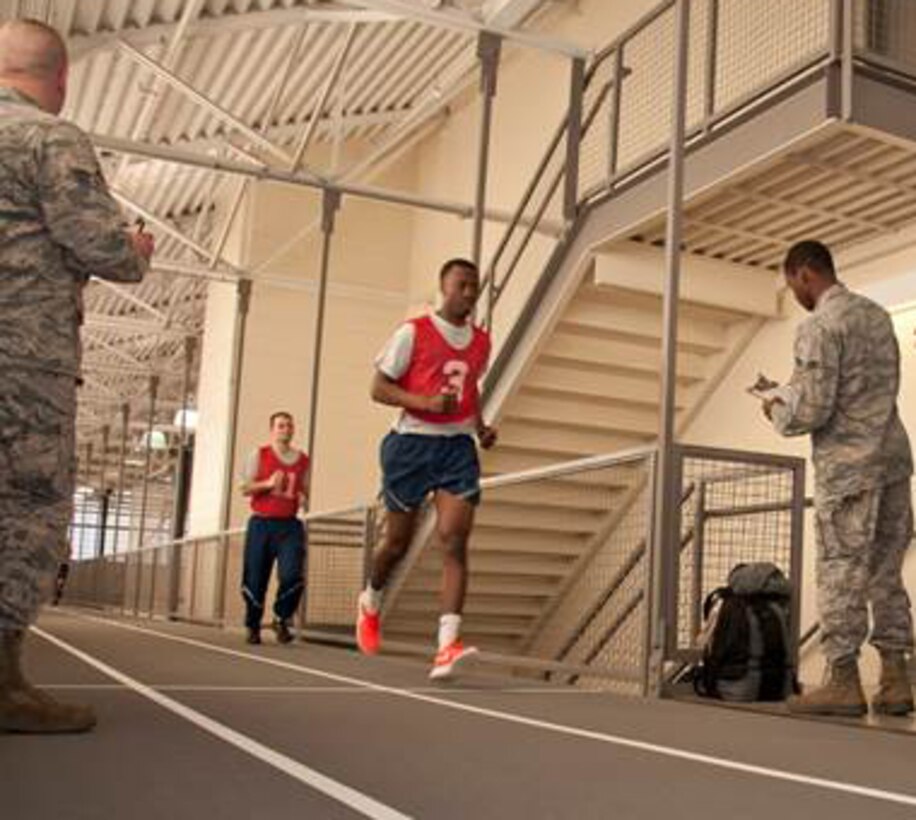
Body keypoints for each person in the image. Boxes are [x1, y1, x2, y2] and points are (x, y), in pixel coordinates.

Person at [0, 20, 154, 734]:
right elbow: (101, 247)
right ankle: (2, 682)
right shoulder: (49, 138)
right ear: (60, 78)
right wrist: (135, 247)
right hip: (22, 362)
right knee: (25, 509)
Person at [762, 239, 914, 717]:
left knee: (840, 572)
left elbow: (811, 409)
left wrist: (775, 407)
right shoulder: (877, 316)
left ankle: (843, 681)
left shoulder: (819, 326)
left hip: (848, 471)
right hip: (893, 461)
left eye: (793, 284)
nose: (795, 294)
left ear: (804, 274)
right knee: (886, 572)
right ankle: (896, 680)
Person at [356, 258, 497, 681]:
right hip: (410, 445)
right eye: (461, 285)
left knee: (454, 540)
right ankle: (371, 598)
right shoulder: (413, 332)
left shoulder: (482, 342)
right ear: (444, 288)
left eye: (474, 286)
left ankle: (447, 645)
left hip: (456, 449)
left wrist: (480, 427)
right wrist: (425, 403)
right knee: (397, 543)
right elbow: (378, 388)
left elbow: (469, 388)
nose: (469, 293)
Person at [239, 412, 310, 645]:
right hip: (262, 523)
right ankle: (253, 624)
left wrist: (303, 497)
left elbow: (304, 490)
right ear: (272, 430)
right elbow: (244, 488)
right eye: (281, 426)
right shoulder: (259, 455)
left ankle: (281, 618)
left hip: (289, 525)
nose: (286, 429)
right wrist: (267, 484)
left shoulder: (303, 460)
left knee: (292, 574)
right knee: (256, 577)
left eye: (289, 425)